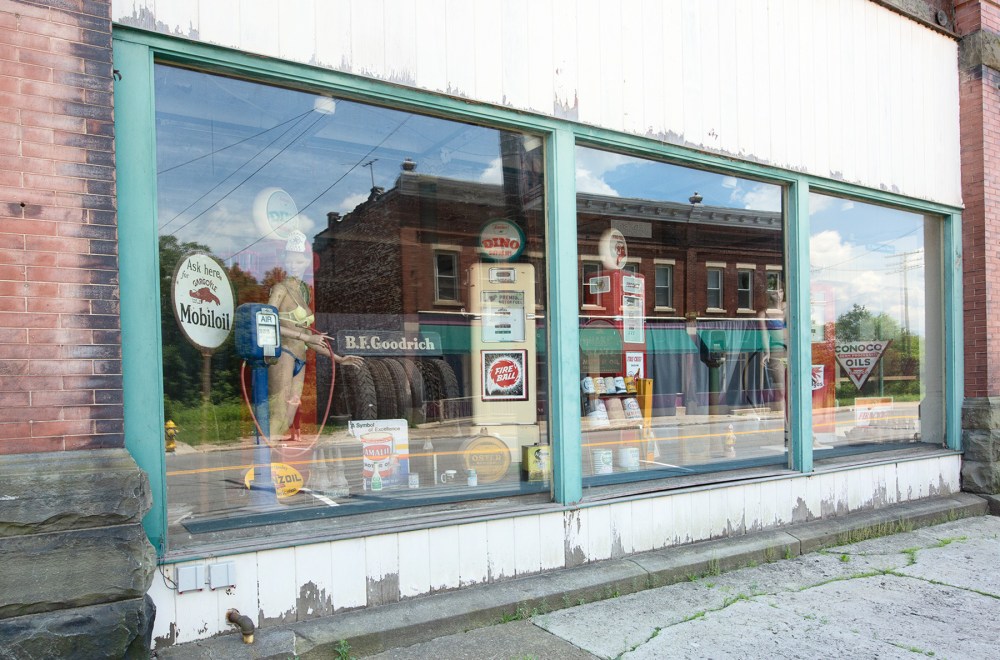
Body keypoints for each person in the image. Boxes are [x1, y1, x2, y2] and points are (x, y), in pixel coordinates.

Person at [267, 230, 362, 441]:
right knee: (278, 413)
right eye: (290, 261)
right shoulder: (280, 289)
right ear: (284, 261)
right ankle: (265, 455)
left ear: (307, 263)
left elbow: (310, 336)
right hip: (284, 353)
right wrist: (306, 338)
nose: (294, 265)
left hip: (300, 357)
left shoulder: (304, 292)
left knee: (289, 414)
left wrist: (338, 358)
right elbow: (268, 322)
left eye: (299, 261)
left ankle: (276, 451)